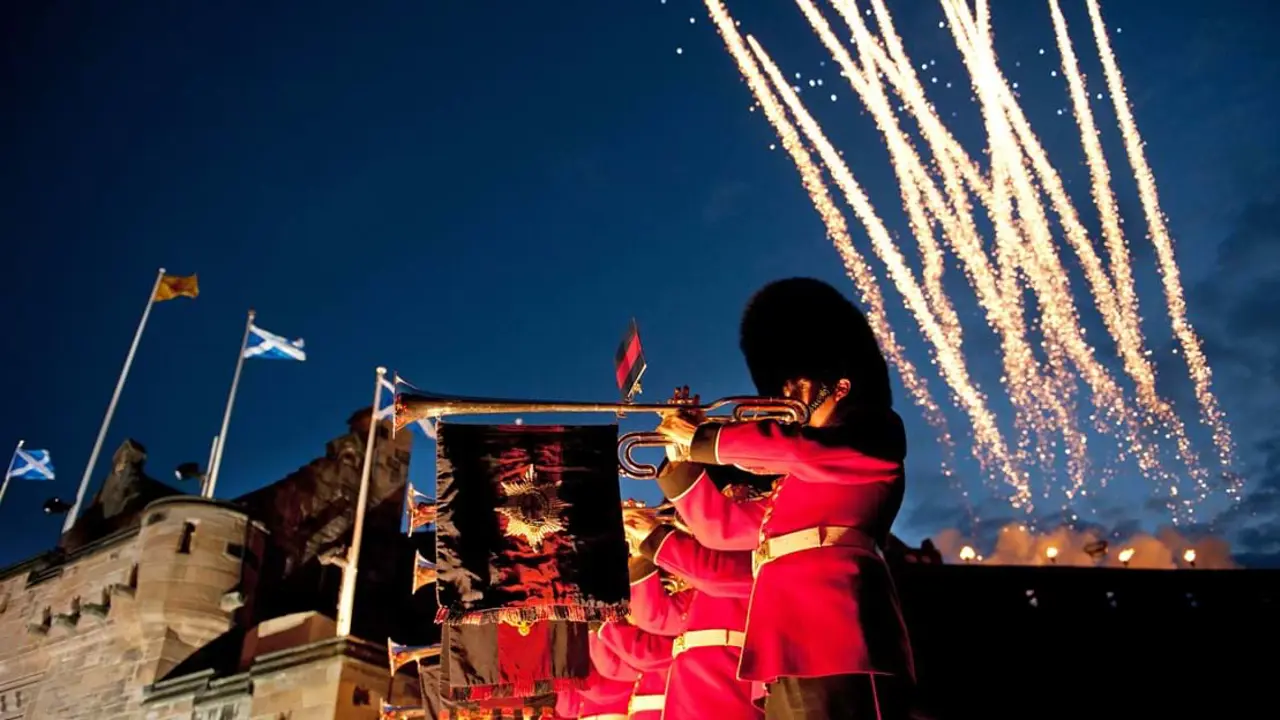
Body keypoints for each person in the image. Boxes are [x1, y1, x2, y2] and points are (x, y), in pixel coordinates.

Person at [651, 277, 915, 720]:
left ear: (840, 386)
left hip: (841, 634)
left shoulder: (876, 432)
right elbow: (723, 527)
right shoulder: (794, 479)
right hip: (783, 645)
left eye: (796, 386)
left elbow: (798, 448)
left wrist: (708, 439)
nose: (783, 396)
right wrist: (679, 455)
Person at [621, 515, 762, 720]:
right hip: (705, 690)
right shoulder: (702, 583)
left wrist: (655, 540)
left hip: (723, 686)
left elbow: (712, 574)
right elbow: (655, 616)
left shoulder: (753, 558)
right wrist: (640, 554)